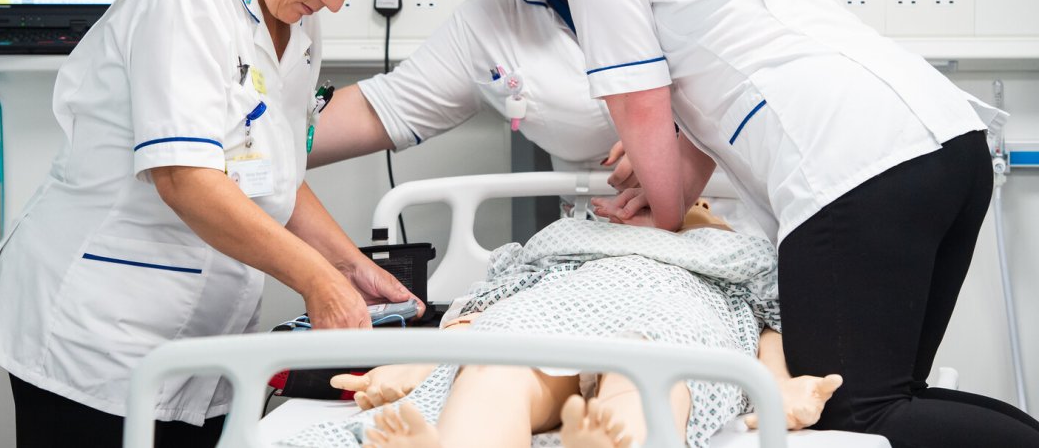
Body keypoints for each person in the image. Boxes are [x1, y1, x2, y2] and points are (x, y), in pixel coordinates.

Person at [484, 0, 1039, 446]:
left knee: (852, 417)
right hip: (946, 143)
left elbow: (642, 102)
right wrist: (679, 179)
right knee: (891, 402)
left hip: (851, 170)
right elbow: (728, 62)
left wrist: (663, 209)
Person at [0, 0, 419, 448]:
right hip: (96, 334)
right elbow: (186, 180)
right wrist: (316, 281)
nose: (338, 2)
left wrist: (351, 268)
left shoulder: (298, 17)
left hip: (197, 342)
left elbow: (274, 173)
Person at [284, 201, 843, 448]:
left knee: (652, 384)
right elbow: (485, 308)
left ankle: (608, 442)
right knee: (492, 372)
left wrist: (780, 386)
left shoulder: (735, 257)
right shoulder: (562, 246)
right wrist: (421, 360)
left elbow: (770, 328)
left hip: (672, 324)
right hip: (553, 315)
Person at [309, 0, 632, 200]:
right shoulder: (491, 22)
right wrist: (265, 140)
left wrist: (677, 148)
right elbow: (379, 109)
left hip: (682, 211)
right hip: (599, 232)